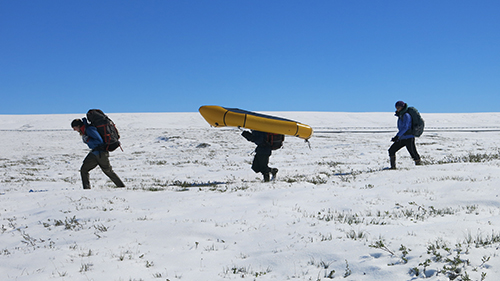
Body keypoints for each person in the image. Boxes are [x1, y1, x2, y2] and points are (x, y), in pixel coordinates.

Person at [71, 118, 125, 189]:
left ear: (78, 126)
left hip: (101, 153)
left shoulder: (89, 129)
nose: (74, 130)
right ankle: (86, 189)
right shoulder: (86, 130)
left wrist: (87, 139)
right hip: (95, 153)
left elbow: (99, 141)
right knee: (84, 169)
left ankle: (121, 187)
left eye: (74, 128)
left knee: (108, 171)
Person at [388, 101, 422, 169]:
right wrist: (398, 136)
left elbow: (405, 127)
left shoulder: (406, 115)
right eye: (396, 107)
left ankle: (419, 166)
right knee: (391, 150)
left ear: (402, 107)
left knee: (413, 153)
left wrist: (397, 136)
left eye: (398, 107)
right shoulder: (401, 115)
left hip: (409, 138)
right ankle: (393, 167)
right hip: (402, 138)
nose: (397, 109)